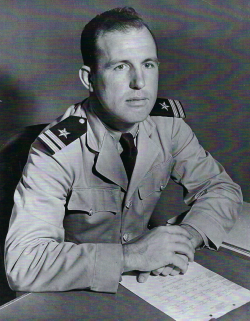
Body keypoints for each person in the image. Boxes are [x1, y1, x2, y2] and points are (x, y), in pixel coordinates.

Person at [5, 7, 242, 294]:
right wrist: (132, 256)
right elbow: (23, 264)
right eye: (120, 67)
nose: (140, 83)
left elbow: (220, 188)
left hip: (145, 282)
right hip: (72, 289)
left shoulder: (167, 125)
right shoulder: (56, 150)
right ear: (88, 79)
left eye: (148, 65)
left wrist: (185, 238)